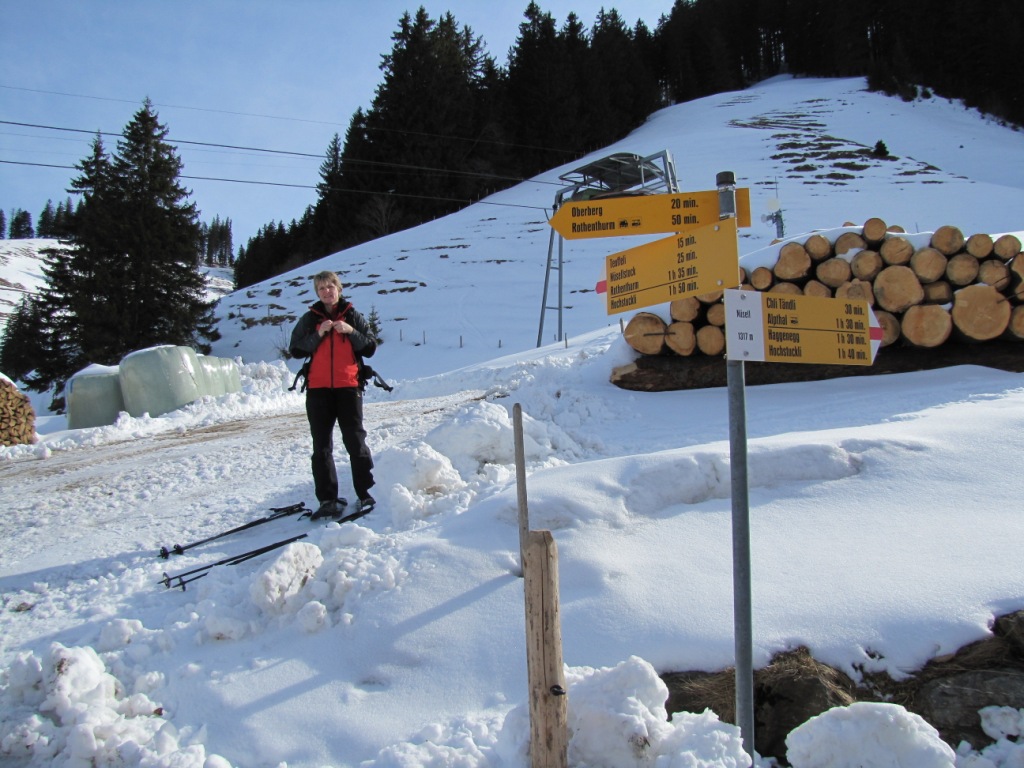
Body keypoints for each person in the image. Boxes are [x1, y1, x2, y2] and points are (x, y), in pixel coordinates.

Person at [289, 270, 377, 519]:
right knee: (321, 447)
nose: (327, 292)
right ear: (317, 293)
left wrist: (350, 331)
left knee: (355, 442)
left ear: (339, 288)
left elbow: (370, 347)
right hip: (318, 390)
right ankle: (327, 500)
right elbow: (295, 349)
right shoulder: (310, 319)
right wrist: (318, 334)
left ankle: (367, 494)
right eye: (321, 288)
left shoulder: (353, 316)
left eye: (330, 286)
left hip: (349, 387)